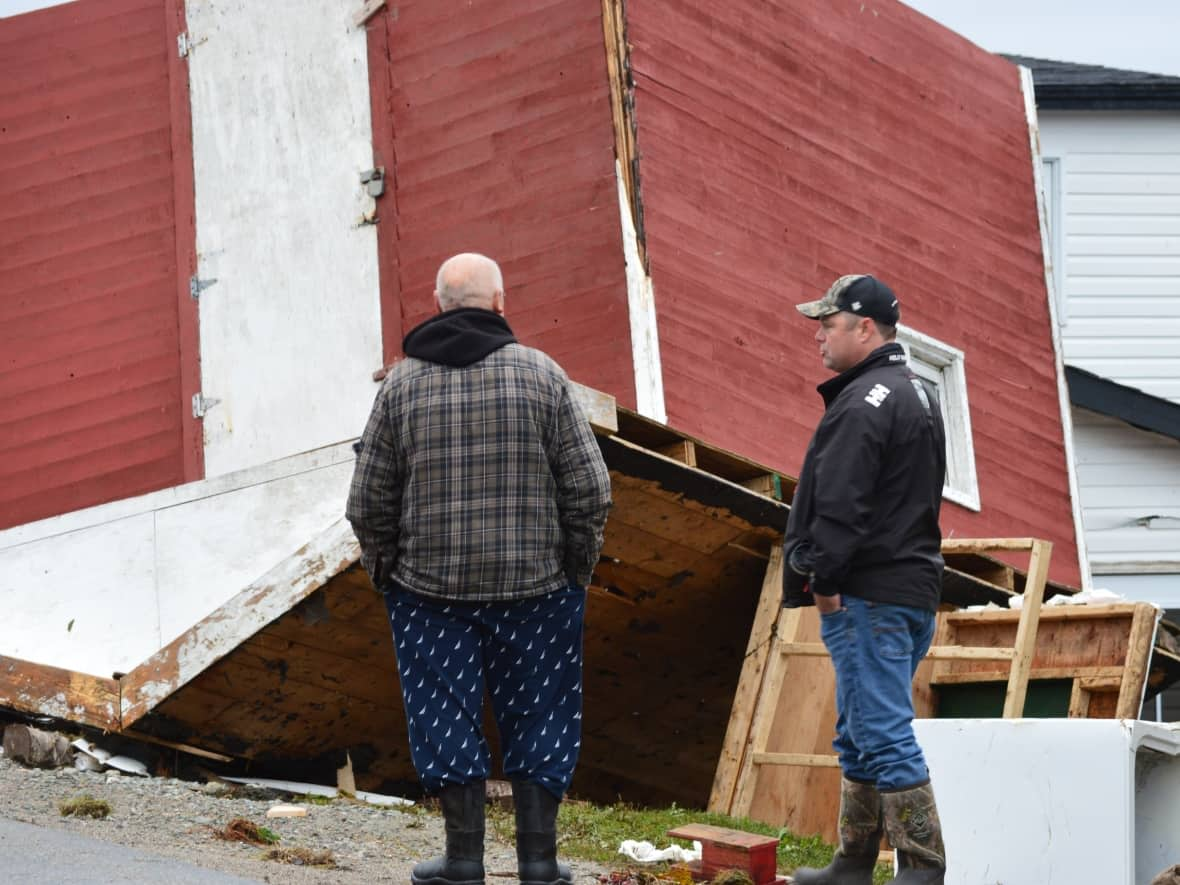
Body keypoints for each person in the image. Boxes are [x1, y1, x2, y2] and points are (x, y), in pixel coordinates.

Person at [346, 253, 612, 885]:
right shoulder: (542, 376)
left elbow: (367, 501)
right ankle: (539, 864)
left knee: (443, 713)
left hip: (429, 592)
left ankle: (463, 861)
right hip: (538, 587)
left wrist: (386, 572)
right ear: (501, 303)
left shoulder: (402, 386)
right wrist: (575, 568)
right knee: (543, 713)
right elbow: (591, 489)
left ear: (438, 305)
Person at [782, 275, 948, 885]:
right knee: (857, 731)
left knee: (880, 729)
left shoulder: (861, 402)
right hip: (910, 589)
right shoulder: (920, 393)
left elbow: (842, 504)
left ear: (865, 328)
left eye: (828, 325)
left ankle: (923, 870)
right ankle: (852, 864)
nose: (819, 338)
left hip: (868, 594)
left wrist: (824, 584)